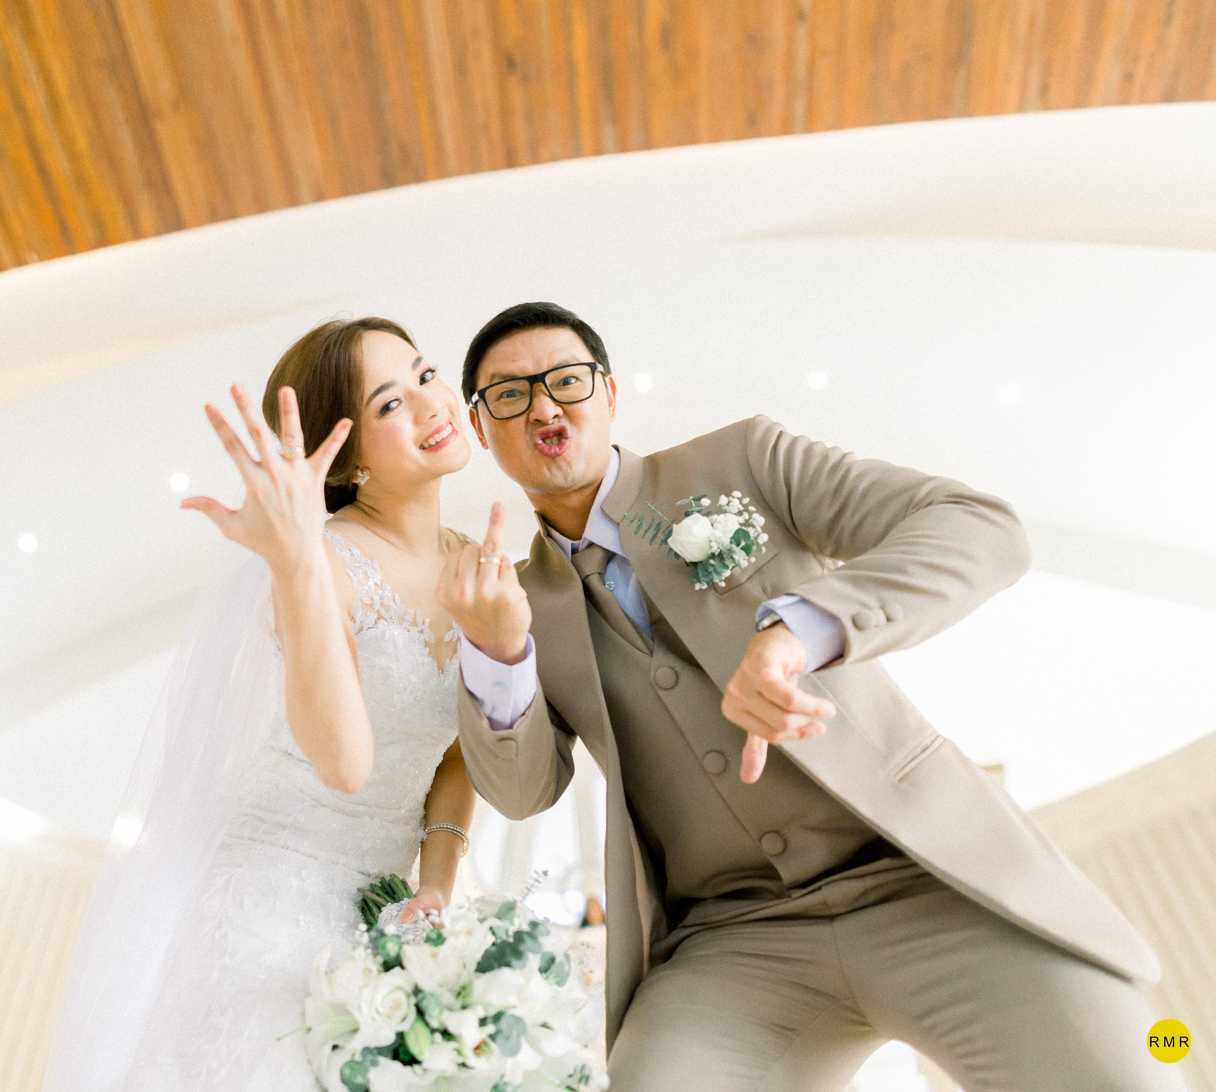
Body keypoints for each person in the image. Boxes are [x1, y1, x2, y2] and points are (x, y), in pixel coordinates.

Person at [437, 301, 1180, 1091]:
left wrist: (805, 628)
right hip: (733, 941)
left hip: (926, 877)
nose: (544, 407)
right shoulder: (515, 603)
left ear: (610, 394)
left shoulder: (744, 460)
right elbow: (521, 792)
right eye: (509, 395)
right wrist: (499, 651)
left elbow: (979, 527)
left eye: (567, 380)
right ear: (481, 428)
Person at [42, 317, 478, 1091]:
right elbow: (344, 762)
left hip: (387, 917)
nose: (429, 402)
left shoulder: (480, 566)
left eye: (425, 373)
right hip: (268, 907)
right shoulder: (318, 563)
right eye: (388, 403)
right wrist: (299, 561)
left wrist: (436, 884)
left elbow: (458, 753)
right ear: (346, 456)